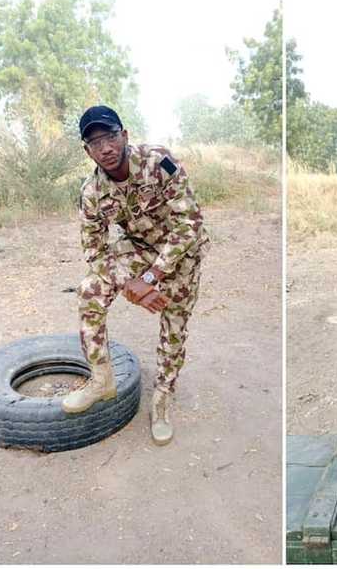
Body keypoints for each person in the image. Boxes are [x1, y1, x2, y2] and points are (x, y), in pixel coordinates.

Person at [65, 105, 208, 446]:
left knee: (174, 328)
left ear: (124, 136)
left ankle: (161, 398)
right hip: (138, 248)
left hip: (182, 255)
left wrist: (150, 279)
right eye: (95, 142)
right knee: (90, 289)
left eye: (110, 137)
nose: (106, 148)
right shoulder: (92, 192)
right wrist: (128, 282)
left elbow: (189, 224)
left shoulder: (159, 162)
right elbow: (95, 251)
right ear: (88, 151)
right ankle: (101, 378)